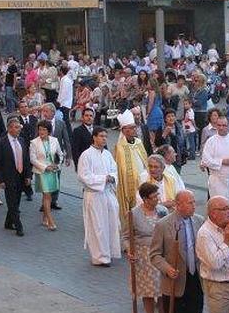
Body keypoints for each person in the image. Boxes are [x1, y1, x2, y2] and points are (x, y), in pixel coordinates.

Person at [150, 190, 205, 313]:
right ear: (178, 205)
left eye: (194, 202)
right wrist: (167, 268)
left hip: (196, 279)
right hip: (175, 282)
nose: (194, 206)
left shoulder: (199, 221)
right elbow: (155, 255)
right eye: (190, 203)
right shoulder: (163, 225)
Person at [124, 182, 168, 313]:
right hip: (143, 256)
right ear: (145, 199)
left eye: (158, 195)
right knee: (147, 291)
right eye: (154, 196)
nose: (158, 199)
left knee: (162, 289)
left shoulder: (162, 211)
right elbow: (126, 236)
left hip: (161, 254)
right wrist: (129, 250)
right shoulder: (133, 214)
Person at [77, 126, 121, 266]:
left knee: (111, 224)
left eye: (105, 136)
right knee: (98, 226)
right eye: (101, 136)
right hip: (95, 195)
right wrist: (103, 179)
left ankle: (109, 252)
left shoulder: (107, 154)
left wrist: (112, 177)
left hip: (108, 193)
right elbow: (84, 176)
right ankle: (99, 257)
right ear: (94, 137)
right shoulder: (86, 155)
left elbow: (115, 170)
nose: (104, 139)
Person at [0, 118, 31, 237]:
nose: (17, 130)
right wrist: (0, 180)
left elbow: (26, 160)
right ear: (9, 128)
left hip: (20, 176)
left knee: (16, 201)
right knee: (12, 203)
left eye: (18, 127)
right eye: (15, 127)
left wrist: (28, 176)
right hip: (8, 177)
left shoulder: (22, 141)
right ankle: (19, 226)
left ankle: (8, 222)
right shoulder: (1, 143)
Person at [114, 110, 149, 228]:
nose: (134, 130)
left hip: (143, 180)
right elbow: (122, 170)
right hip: (130, 185)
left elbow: (145, 160)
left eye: (134, 127)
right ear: (124, 130)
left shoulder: (139, 142)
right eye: (131, 128)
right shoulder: (120, 147)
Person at [30, 120, 63, 231]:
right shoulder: (34, 142)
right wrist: (45, 167)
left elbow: (61, 155)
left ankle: (44, 217)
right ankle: (50, 221)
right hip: (42, 172)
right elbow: (33, 159)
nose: (41, 131)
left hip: (52, 172)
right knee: (47, 195)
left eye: (44, 129)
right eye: (40, 129)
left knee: (47, 196)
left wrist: (57, 165)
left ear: (49, 131)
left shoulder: (55, 140)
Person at [201, 117, 229, 202]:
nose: (221, 128)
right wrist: (221, 162)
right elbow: (206, 160)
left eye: (224, 125)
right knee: (219, 206)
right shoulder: (211, 141)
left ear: (228, 126)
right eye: (219, 125)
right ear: (216, 125)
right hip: (217, 181)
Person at [40, 103, 71, 210]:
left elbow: (66, 140)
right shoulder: (41, 124)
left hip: (57, 156)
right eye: (43, 111)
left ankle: (54, 201)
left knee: (56, 178)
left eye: (46, 111)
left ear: (52, 112)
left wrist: (68, 156)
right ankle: (44, 202)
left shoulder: (61, 123)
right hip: (44, 156)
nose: (44, 113)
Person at [153, 109, 185, 173]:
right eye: (169, 116)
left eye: (173, 116)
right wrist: (164, 134)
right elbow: (157, 143)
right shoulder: (161, 129)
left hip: (177, 157)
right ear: (165, 119)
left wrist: (184, 154)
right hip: (165, 159)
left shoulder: (179, 127)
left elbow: (183, 142)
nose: (171, 118)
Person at [71, 107, 95, 171]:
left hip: (97, 163)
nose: (89, 118)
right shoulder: (77, 131)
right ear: (82, 117)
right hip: (84, 163)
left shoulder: (98, 130)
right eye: (86, 115)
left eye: (91, 116)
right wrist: (77, 165)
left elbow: (104, 146)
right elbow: (75, 150)